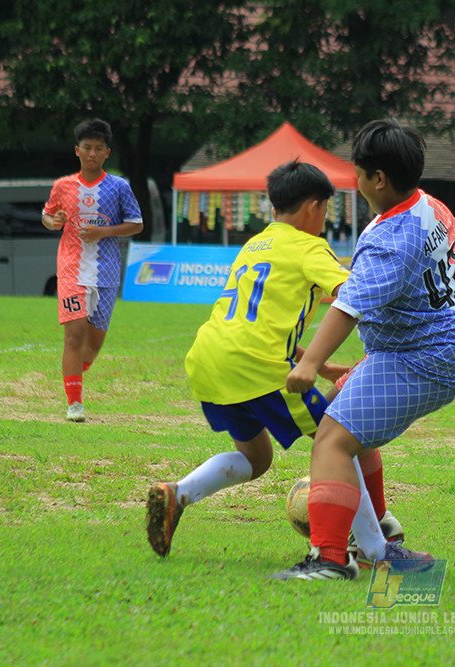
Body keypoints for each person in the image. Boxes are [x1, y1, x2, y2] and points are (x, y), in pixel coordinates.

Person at [145, 160, 426, 566]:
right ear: (313, 207)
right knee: (341, 441)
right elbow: (353, 292)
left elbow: (255, 317)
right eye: (326, 211)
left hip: (209, 359)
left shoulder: (254, 245)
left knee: (256, 459)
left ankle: (178, 494)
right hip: (257, 366)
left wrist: (311, 360)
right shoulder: (309, 247)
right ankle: (378, 550)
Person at [271, 118, 455, 581]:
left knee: (330, 438)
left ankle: (330, 560)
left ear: (379, 179)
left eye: (359, 172)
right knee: (339, 423)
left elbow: (348, 308)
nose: (354, 179)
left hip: (418, 360)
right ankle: (380, 537)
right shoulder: (432, 206)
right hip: (429, 349)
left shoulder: (389, 239)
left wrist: (309, 362)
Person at [41, 119, 144, 423]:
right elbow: (47, 217)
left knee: (92, 346)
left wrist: (105, 231)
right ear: (77, 150)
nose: (92, 153)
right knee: (73, 336)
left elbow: (137, 224)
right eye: (87, 147)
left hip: (106, 272)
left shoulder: (119, 187)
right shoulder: (63, 186)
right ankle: (75, 404)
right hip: (71, 268)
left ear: (107, 152)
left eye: (98, 148)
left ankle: (74, 374)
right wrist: (55, 220)